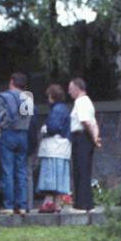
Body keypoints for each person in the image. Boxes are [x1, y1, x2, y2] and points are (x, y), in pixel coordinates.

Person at [0, 72, 34, 215]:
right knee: (21, 171)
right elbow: (27, 117)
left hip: (9, 134)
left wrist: (5, 125)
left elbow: (0, 116)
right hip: (23, 134)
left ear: (12, 81)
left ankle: (8, 206)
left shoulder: (4, 96)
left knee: (7, 170)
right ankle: (22, 205)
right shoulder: (28, 97)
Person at [36, 83, 72, 213]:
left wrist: (45, 128)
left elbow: (53, 127)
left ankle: (48, 202)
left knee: (50, 175)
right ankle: (57, 204)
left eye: (48, 96)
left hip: (53, 147)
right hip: (63, 147)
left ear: (52, 96)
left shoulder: (56, 110)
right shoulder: (64, 108)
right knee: (59, 176)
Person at [68, 77, 101, 212]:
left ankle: (81, 204)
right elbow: (94, 123)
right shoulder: (88, 102)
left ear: (77, 88)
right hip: (86, 138)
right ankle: (87, 203)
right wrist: (95, 137)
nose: (69, 92)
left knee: (80, 170)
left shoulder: (80, 102)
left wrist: (93, 138)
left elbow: (85, 122)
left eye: (70, 89)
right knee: (85, 170)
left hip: (81, 137)